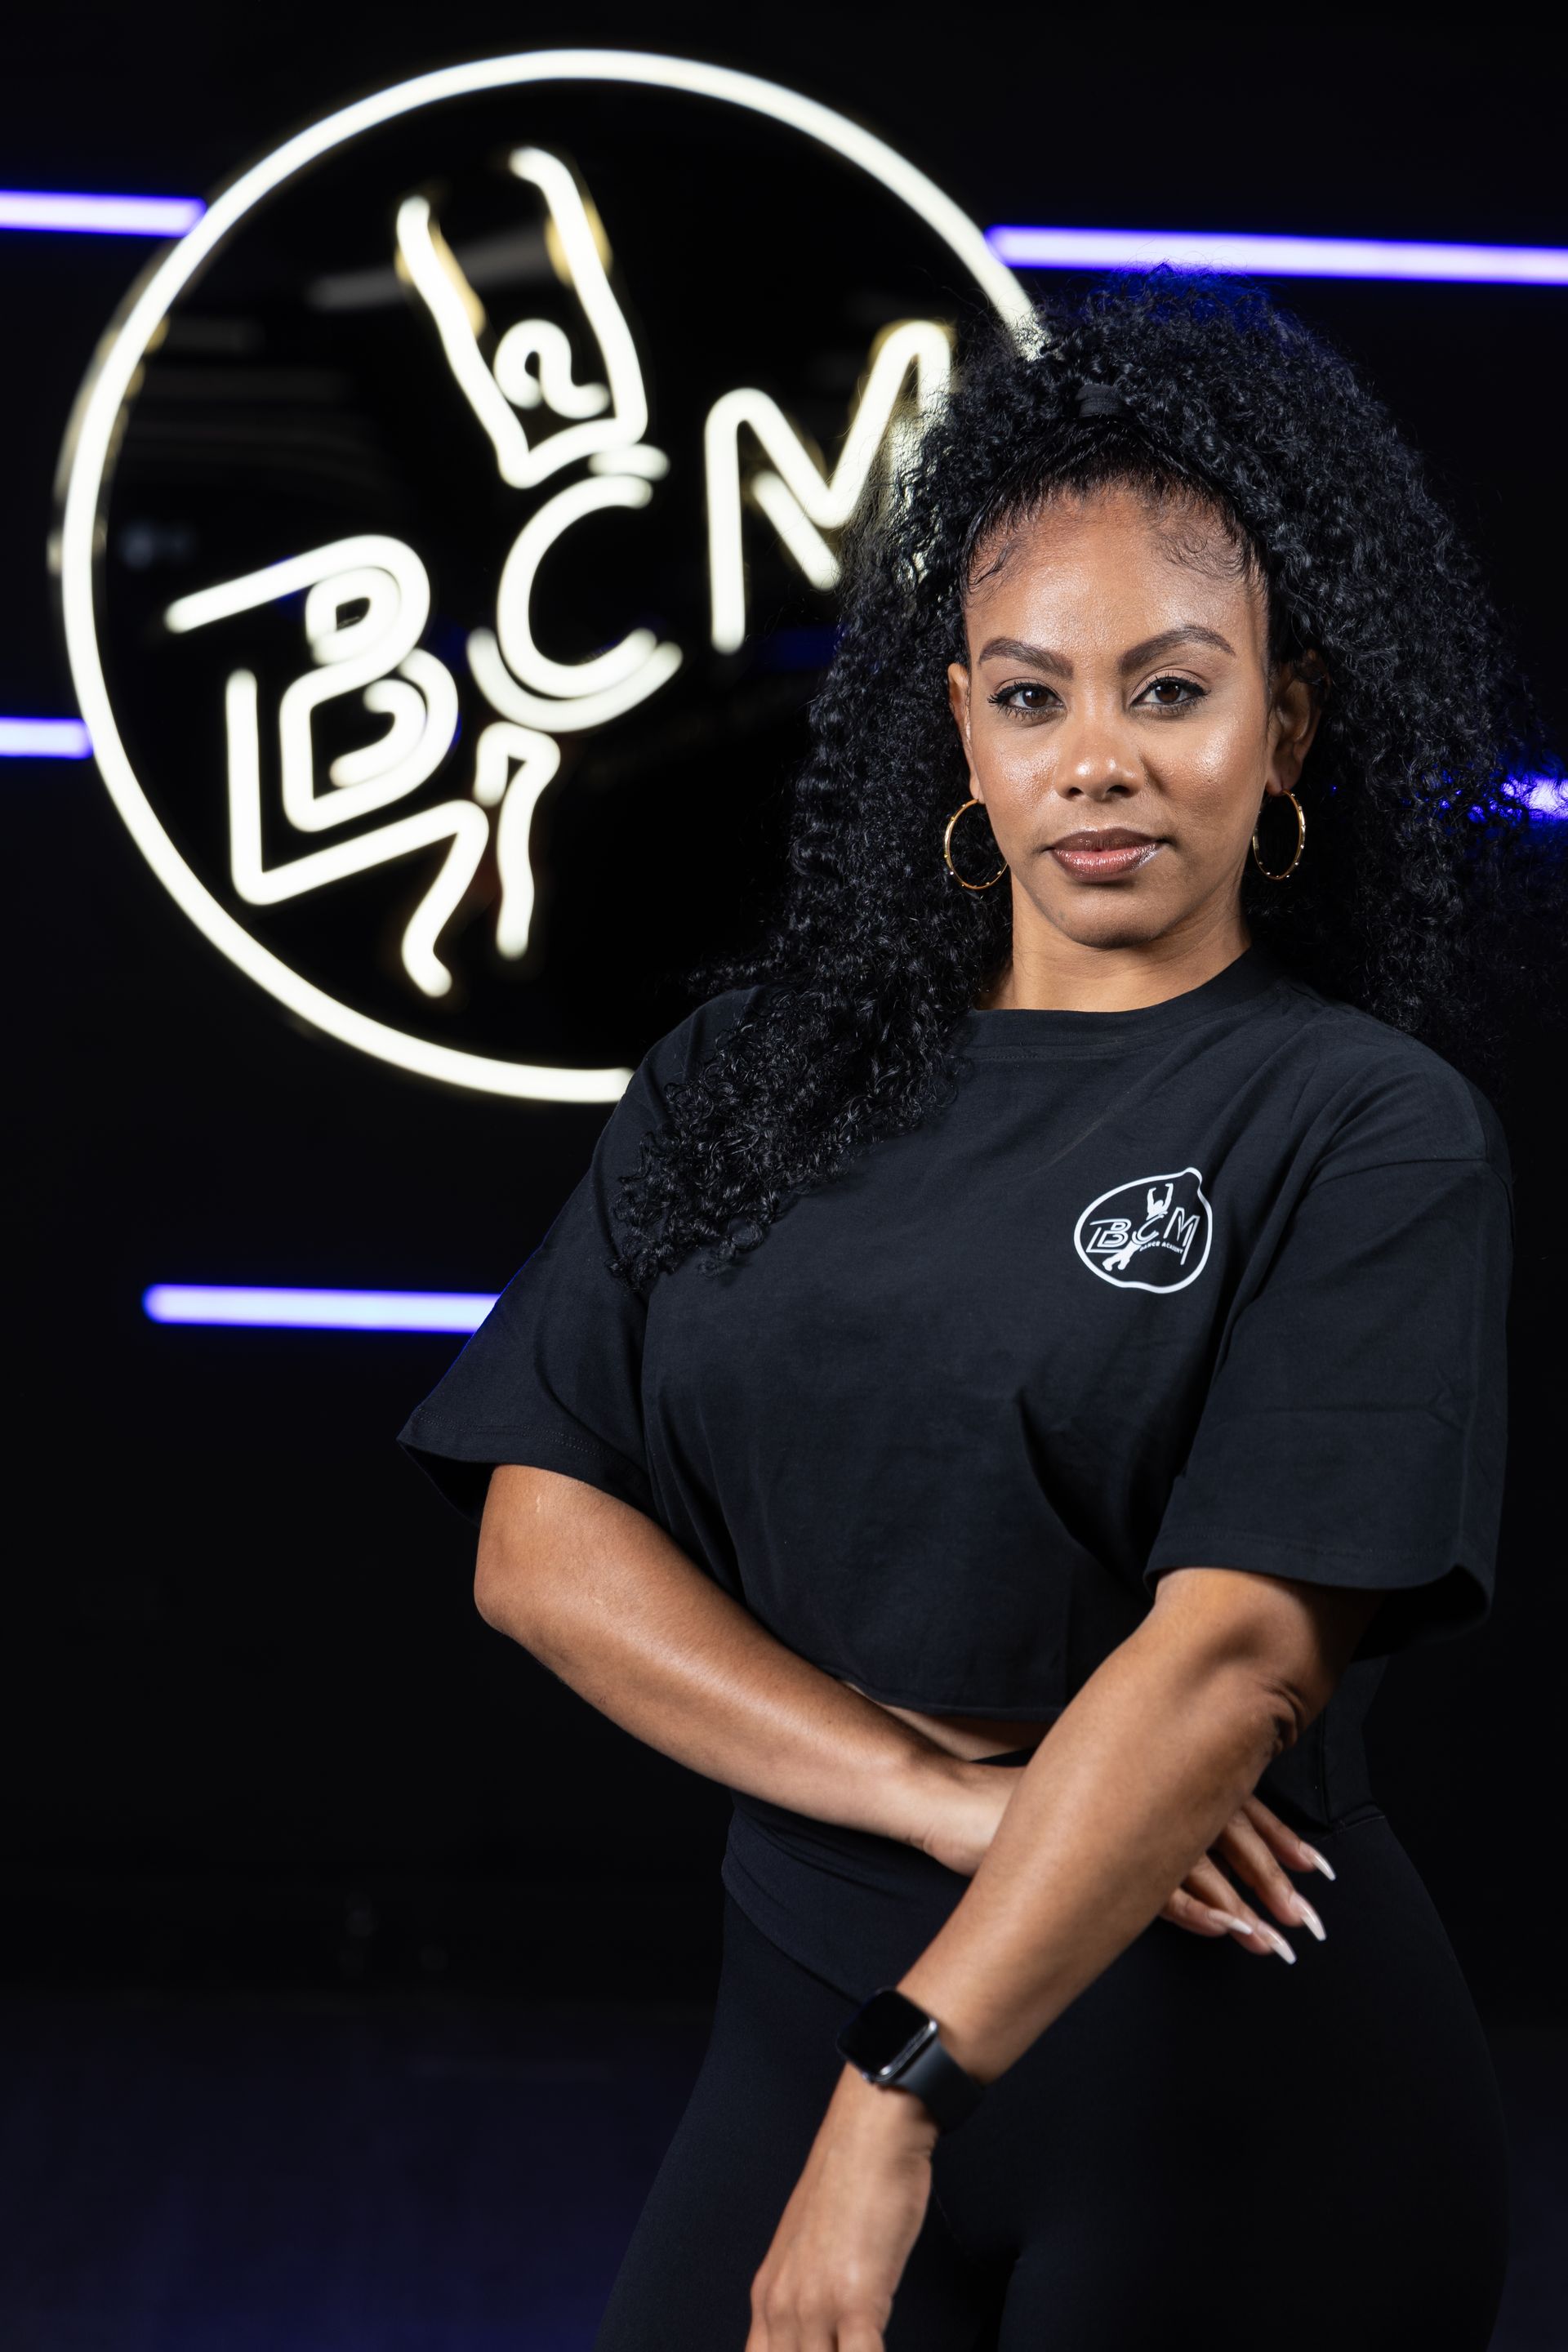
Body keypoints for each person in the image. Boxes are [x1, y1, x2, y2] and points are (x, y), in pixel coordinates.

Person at [400, 274, 1551, 2350]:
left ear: (1285, 722)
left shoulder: (1368, 1129)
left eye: (1171, 690)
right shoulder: (748, 1079)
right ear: (956, 726)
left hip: (1240, 2091)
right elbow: (540, 1547)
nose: (1097, 763)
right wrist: (935, 1797)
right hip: (805, 1994)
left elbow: (1232, 1670)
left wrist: (897, 2093)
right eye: (1031, 697)